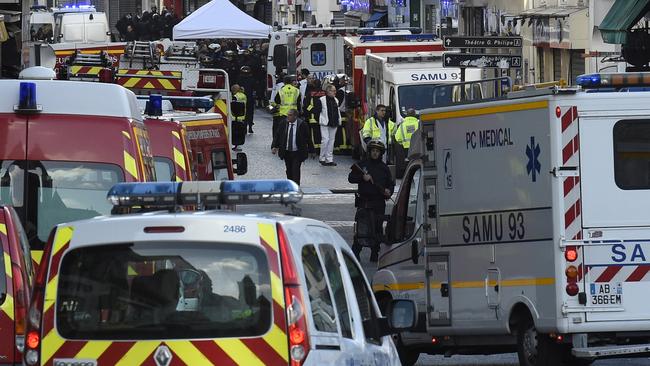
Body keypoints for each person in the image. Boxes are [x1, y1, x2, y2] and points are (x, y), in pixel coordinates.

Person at [348, 140, 394, 262]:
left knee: (378, 228)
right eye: (373, 151)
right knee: (361, 229)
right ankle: (355, 253)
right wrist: (362, 177)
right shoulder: (362, 164)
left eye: (377, 151)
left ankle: (375, 253)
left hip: (378, 203)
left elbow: (390, 184)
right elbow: (351, 178)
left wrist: (389, 191)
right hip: (364, 202)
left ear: (381, 153)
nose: (375, 153)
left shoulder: (384, 168)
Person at [271, 109, 315, 185]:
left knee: (296, 170)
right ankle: (290, 185)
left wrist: (312, 151)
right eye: (288, 115)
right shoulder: (283, 123)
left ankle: (296, 186)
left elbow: (308, 138)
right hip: (287, 151)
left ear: (295, 116)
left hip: (297, 152)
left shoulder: (302, 124)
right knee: (289, 170)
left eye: (290, 115)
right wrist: (274, 146)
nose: (288, 117)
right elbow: (277, 135)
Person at [314, 85, 342, 166]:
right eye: (333, 91)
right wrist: (320, 120)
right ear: (328, 91)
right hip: (325, 123)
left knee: (331, 141)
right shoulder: (321, 100)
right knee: (325, 140)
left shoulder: (336, 100)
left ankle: (329, 159)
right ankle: (322, 158)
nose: (335, 92)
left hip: (334, 123)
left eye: (335, 90)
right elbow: (316, 111)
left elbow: (337, 111)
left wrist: (338, 120)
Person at [394, 108, 420, 177]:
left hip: (406, 150)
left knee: (409, 165)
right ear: (414, 115)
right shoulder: (418, 123)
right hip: (417, 148)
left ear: (407, 115)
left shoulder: (402, 125)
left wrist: (404, 143)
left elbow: (397, 138)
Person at [238, 65, 256, 133]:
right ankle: (250, 127)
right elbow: (255, 88)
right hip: (249, 98)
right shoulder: (252, 79)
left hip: (242, 98)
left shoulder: (239, 79)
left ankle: (245, 127)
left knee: (243, 113)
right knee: (250, 113)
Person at [231, 84, 247, 151]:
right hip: (242, 117)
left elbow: (233, 106)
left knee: (235, 133)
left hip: (235, 117)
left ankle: (236, 146)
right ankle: (237, 146)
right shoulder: (243, 95)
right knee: (239, 133)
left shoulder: (235, 96)